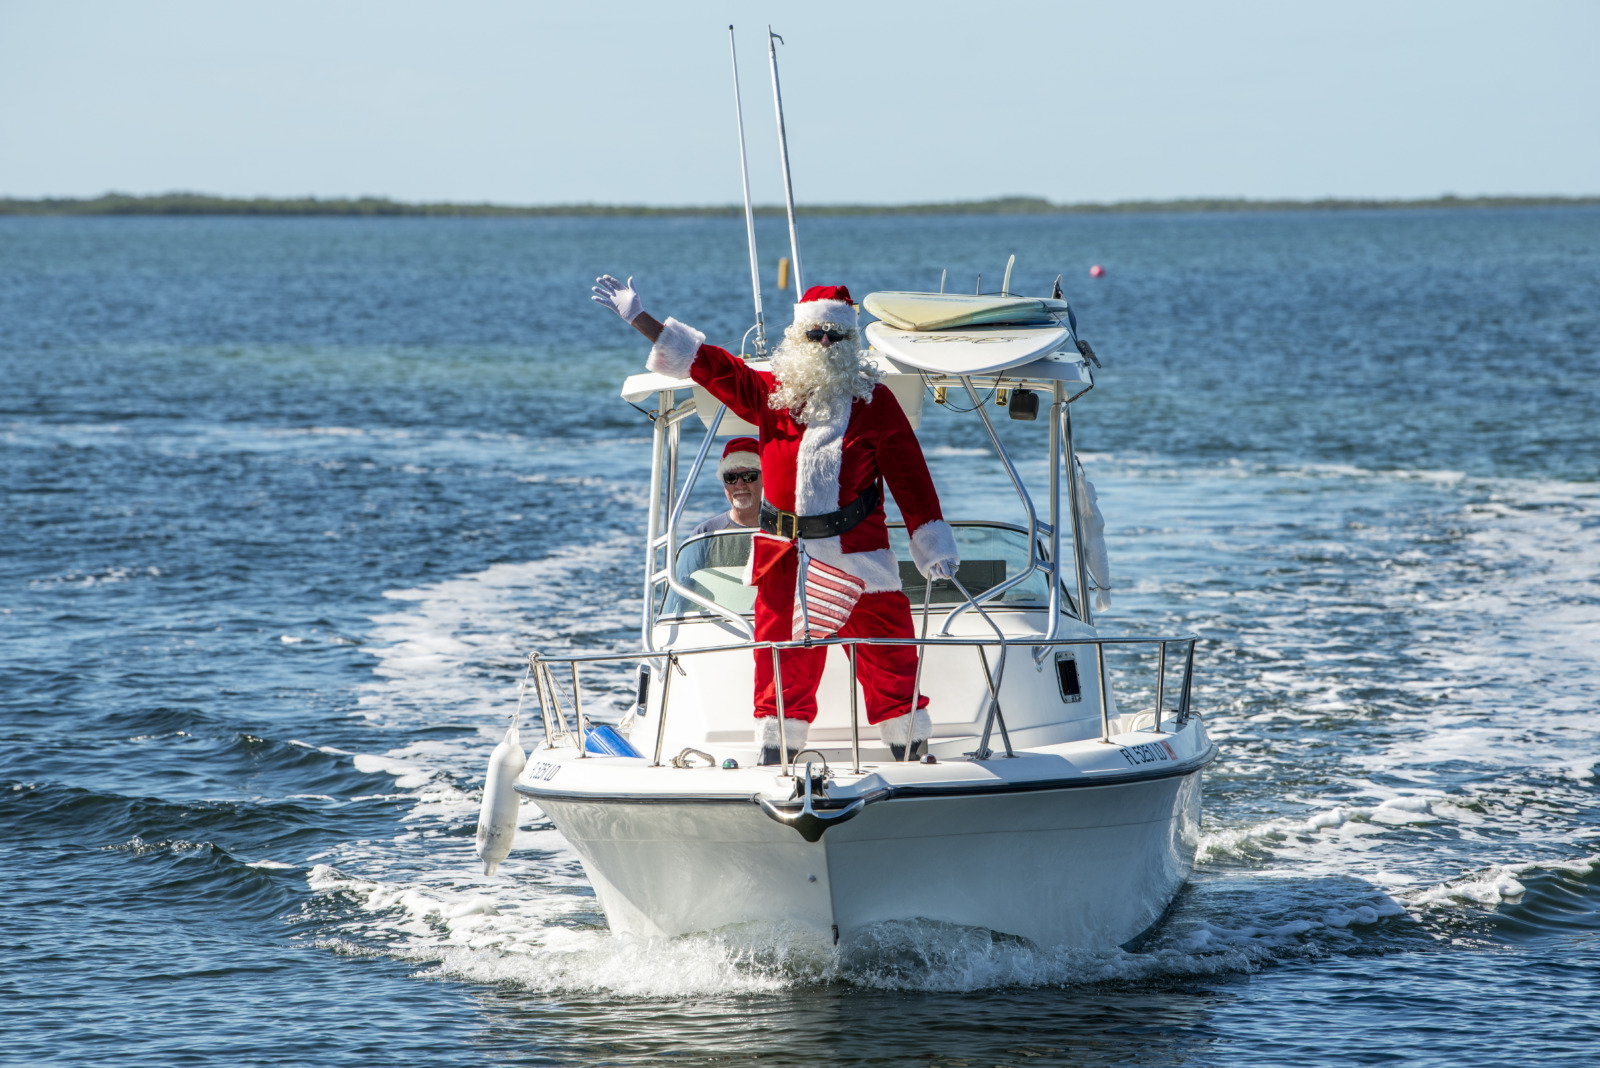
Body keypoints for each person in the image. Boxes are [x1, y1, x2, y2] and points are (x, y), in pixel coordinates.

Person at [593, 275, 959, 764]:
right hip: (786, 560)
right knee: (780, 672)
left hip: (861, 557)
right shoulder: (770, 395)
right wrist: (641, 318)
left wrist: (931, 545)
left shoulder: (876, 403)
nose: (825, 344)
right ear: (799, 339)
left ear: (851, 342)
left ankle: (911, 755)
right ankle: (775, 762)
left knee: (891, 663)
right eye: (816, 335)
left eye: (836, 336)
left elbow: (911, 478)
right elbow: (710, 365)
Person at [692, 437, 762, 535]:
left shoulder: (783, 530)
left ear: (764, 480)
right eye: (731, 477)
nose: (739, 485)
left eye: (748, 476)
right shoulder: (705, 533)